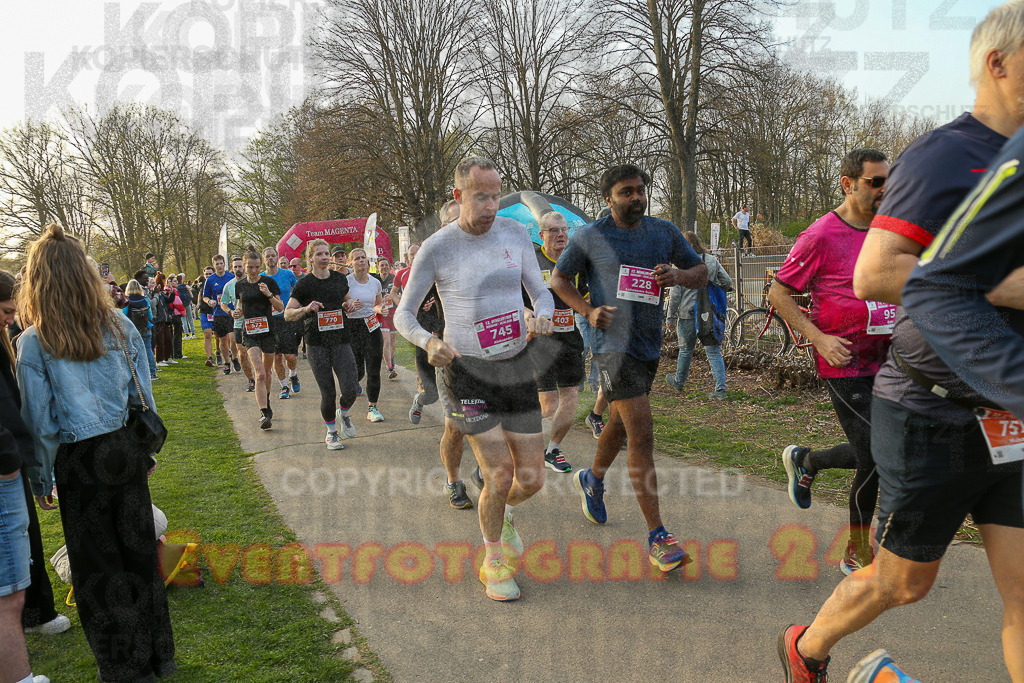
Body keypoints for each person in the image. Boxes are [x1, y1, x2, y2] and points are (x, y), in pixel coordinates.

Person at [782, 4, 1024, 680]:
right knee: (904, 582)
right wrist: (1005, 285)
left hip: (1010, 415)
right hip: (931, 412)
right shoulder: (946, 155)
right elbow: (877, 272)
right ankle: (805, 649)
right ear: (998, 64)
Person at [18, 223, 176, 681]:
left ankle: (125, 669)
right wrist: (143, 451)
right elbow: (141, 393)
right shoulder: (119, 324)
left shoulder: (35, 342)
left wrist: (41, 477)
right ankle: (156, 658)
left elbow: (41, 424)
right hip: (123, 447)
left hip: (79, 460)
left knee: (98, 569)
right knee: (139, 557)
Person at [395, 156, 555, 601]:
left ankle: (500, 516)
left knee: (532, 479)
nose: (491, 205)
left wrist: (542, 314)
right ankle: (492, 560)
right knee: (499, 473)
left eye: (496, 194)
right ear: (458, 196)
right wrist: (429, 343)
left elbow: (540, 291)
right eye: (481, 196)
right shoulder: (437, 247)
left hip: (515, 365)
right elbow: (402, 314)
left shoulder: (515, 233)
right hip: (466, 373)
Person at [551, 163, 706, 573]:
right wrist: (587, 309)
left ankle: (592, 479)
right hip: (610, 347)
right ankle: (659, 535)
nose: (636, 197)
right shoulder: (590, 235)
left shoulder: (663, 232)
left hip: (647, 345)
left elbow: (702, 271)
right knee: (642, 432)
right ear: (608, 198)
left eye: (640, 190)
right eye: (626, 192)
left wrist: (677, 275)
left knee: (619, 425)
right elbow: (558, 279)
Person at [768, 148, 890, 577]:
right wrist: (818, 339)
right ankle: (857, 550)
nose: (883, 189)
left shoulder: (888, 230)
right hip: (845, 361)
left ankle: (809, 462)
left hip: (891, 361)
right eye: (875, 182)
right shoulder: (821, 234)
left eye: (886, 181)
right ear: (848, 183)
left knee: (884, 449)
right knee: (875, 454)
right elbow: (778, 293)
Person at [2, 270, 70, 647]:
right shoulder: (24, 342)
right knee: (18, 534)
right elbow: (28, 413)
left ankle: (35, 610)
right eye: (6, 310)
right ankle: (34, 612)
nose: (11, 318)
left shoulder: (17, 340)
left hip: (13, 453)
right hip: (7, 459)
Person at [395, 202, 473, 511]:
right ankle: (453, 481)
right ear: (444, 227)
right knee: (456, 427)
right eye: (456, 221)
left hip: (492, 356)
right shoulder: (434, 258)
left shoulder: (492, 254)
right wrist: (428, 340)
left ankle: (485, 469)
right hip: (450, 354)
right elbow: (404, 312)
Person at [285, 239, 360, 450]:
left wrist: (349, 305)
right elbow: (287, 314)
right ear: (310, 259)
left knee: (351, 387)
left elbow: (347, 299)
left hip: (341, 339)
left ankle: (343, 413)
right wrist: (306, 309)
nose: (324, 257)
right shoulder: (304, 284)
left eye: (326, 254)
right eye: (319, 254)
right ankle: (332, 433)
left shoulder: (339, 279)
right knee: (328, 392)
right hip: (316, 343)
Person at [527, 210, 586, 474]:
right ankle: (515, 434)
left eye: (564, 229)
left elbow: (586, 294)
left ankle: (552, 450)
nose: (561, 234)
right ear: (541, 235)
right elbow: (517, 298)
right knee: (548, 404)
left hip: (570, 338)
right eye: (553, 230)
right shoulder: (531, 260)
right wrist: (529, 314)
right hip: (540, 341)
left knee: (570, 396)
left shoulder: (576, 260)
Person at [666, 231, 733, 400]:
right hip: (707, 314)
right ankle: (720, 389)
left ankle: (679, 382)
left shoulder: (681, 264)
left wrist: (670, 317)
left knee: (685, 350)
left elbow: (675, 295)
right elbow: (726, 282)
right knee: (713, 351)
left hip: (687, 314)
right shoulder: (711, 260)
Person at [228, 246, 285, 429]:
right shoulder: (240, 285)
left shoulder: (269, 282)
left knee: (267, 373)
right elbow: (240, 305)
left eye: (256, 267)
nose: (253, 271)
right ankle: (265, 413)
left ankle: (266, 401)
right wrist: (237, 312)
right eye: (250, 267)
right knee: (259, 373)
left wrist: (268, 294)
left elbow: (280, 308)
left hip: (268, 332)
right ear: (243, 267)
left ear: (260, 266)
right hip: (250, 333)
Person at [346, 248, 386, 422]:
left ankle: (373, 407)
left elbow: (377, 304)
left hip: (371, 325)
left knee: (374, 369)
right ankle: (353, 387)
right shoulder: (346, 282)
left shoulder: (375, 282)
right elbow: (342, 305)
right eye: (357, 258)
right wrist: (347, 306)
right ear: (351, 263)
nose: (361, 261)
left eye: (363, 258)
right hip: (352, 326)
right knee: (357, 371)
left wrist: (381, 309)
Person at [261, 247, 301, 399]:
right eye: (268, 256)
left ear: (277, 258)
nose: (271, 258)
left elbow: (297, 293)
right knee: (276, 356)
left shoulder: (288, 274)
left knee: (290, 356)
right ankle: (284, 386)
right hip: (270, 321)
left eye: (273, 256)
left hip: (286, 318)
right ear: (264, 260)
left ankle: (293, 374)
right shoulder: (261, 278)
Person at [221, 256, 257, 392]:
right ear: (232, 268)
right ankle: (251, 380)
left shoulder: (253, 281)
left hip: (255, 322)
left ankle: (261, 375)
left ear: (245, 267)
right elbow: (223, 303)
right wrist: (230, 311)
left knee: (258, 352)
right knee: (242, 353)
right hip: (238, 323)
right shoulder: (229, 285)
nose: (238, 269)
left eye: (240, 266)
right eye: (235, 267)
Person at [202, 255, 236, 375]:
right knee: (222, 340)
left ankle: (235, 357)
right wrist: (209, 301)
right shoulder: (210, 280)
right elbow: (205, 296)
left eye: (221, 263)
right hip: (218, 313)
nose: (220, 266)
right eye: (217, 264)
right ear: (214, 265)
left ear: (224, 264)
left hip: (232, 312)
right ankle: (227, 363)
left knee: (233, 338)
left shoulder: (231, 277)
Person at [123, 279, 159, 380]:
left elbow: (124, 315)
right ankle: (152, 373)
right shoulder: (145, 299)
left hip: (133, 330)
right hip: (146, 327)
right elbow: (150, 315)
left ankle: (137, 373)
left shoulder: (127, 300)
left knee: (134, 351)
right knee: (148, 350)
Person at [376, 258, 398, 379]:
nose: (384, 267)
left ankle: (391, 357)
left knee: (392, 341)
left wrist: (393, 296)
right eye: (382, 265)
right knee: (386, 339)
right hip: (381, 313)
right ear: (377, 267)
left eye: (386, 265)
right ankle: (390, 368)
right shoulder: (375, 279)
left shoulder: (394, 279)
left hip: (393, 312)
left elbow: (400, 294)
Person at [150, 272, 174, 366]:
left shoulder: (161, 293)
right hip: (158, 320)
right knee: (160, 341)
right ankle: (159, 360)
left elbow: (169, 300)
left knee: (168, 340)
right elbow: (153, 304)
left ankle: (167, 357)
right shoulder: (154, 293)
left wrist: (171, 292)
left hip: (164, 319)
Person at [196, 265, 217, 365]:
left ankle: (218, 352)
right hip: (205, 311)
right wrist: (199, 303)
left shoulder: (217, 282)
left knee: (218, 335)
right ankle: (209, 358)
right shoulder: (203, 284)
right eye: (206, 274)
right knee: (207, 334)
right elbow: (201, 294)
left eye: (210, 273)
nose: (208, 276)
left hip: (216, 311)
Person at [167, 274, 187, 361]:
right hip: (176, 314)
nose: (177, 282)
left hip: (171, 314)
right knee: (177, 335)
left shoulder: (167, 291)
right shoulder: (173, 291)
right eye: (174, 281)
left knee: (173, 334)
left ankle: (173, 353)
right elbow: (178, 303)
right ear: (170, 282)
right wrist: (183, 312)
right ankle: (178, 354)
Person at [176, 273, 194, 339]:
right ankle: (193, 333)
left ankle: (187, 334)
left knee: (183, 319)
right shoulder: (186, 286)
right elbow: (192, 295)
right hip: (188, 303)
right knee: (190, 319)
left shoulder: (176, 288)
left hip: (181, 305)